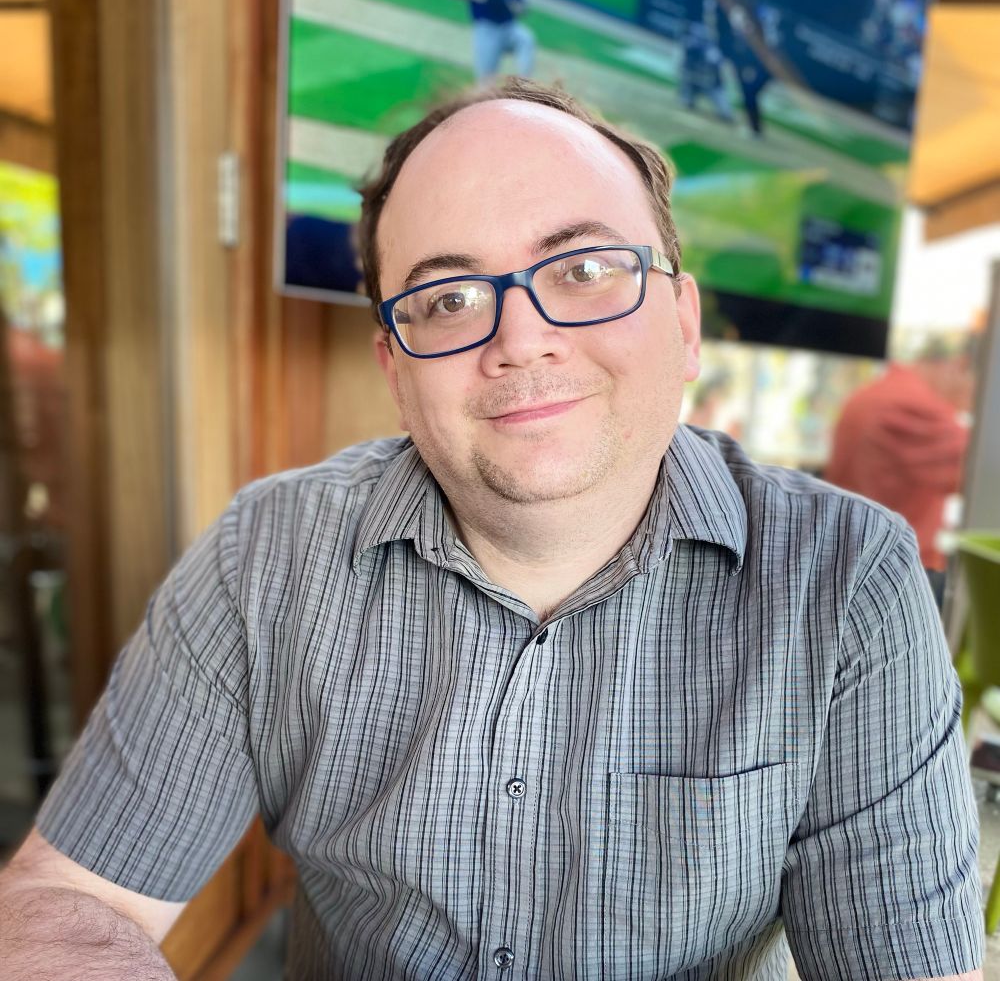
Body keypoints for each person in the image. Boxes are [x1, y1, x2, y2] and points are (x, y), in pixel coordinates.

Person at [0, 79, 984, 980]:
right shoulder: (269, 554)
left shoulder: (845, 576)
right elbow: (70, 897)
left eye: (587, 267)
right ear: (395, 366)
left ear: (682, 324)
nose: (520, 338)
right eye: (447, 297)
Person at [825, 337, 973, 606]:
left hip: (858, 566)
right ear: (959, 366)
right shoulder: (913, 406)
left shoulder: (879, 392)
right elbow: (983, 472)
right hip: (890, 580)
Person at [444, 0, 535, 83]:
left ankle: (523, 84)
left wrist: (507, 4)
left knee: (525, 38)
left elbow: (521, 7)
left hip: (508, 26)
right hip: (485, 29)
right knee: (485, 83)